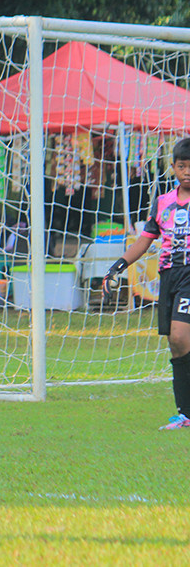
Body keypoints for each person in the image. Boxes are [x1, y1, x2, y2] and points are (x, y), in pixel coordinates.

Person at [102, 138, 190, 430]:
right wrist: (118, 266)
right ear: (173, 167)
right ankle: (185, 414)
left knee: (180, 337)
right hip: (169, 275)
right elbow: (145, 240)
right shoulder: (163, 202)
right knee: (176, 345)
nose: (187, 171)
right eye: (182, 166)